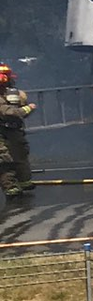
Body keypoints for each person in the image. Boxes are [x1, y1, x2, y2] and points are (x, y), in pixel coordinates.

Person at [0, 63, 36, 199]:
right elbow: (8, 112)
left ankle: (24, 182)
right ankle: (10, 187)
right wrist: (28, 108)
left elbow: (18, 112)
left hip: (14, 130)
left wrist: (24, 107)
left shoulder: (15, 94)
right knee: (5, 159)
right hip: (1, 132)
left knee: (20, 154)